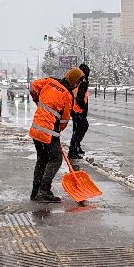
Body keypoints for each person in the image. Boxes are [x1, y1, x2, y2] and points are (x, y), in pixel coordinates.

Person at [29, 66, 82, 202]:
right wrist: (59, 129)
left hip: (36, 128)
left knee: (42, 159)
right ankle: (44, 191)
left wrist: (38, 100)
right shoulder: (67, 94)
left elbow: (33, 86)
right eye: (77, 82)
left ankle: (35, 192)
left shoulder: (50, 81)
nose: (77, 85)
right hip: (49, 131)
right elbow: (64, 119)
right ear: (72, 80)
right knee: (56, 159)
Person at [67, 62, 91, 161]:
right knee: (82, 128)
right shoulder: (82, 83)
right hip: (78, 111)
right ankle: (73, 150)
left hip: (74, 110)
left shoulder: (76, 81)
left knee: (76, 129)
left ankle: (76, 147)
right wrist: (84, 107)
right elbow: (80, 98)